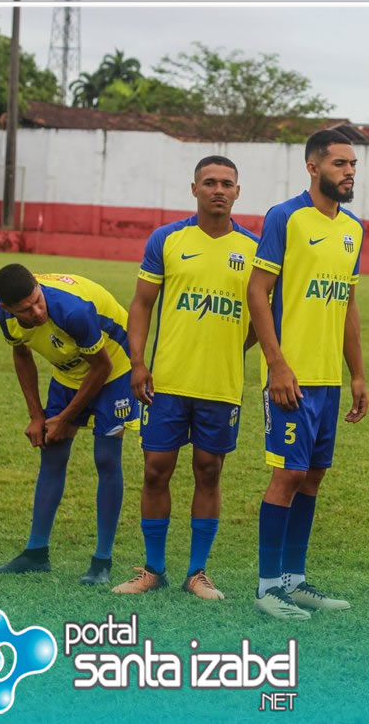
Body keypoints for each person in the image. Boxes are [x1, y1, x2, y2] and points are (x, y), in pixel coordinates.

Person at [111, 155, 258, 600]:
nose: (218, 190)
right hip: (167, 383)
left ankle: (197, 573)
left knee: (209, 471)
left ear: (238, 192)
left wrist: (233, 346)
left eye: (227, 183)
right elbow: (142, 304)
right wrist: (139, 363)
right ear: (194, 189)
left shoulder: (254, 248)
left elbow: (265, 317)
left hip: (221, 385)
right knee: (156, 470)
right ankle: (153, 569)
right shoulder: (167, 239)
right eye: (209, 182)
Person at [247, 129, 368, 620]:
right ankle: (267, 587)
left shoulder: (354, 229)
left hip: (328, 378)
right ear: (313, 167)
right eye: (340, 163)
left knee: (313, 476)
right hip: (290, 374)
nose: (349, 172)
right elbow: (257, 291)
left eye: (353, 164)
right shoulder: (286, 217)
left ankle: (294, 581)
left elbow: (348, 304)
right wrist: (277, 364)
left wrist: (357, 374)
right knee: (289, 473)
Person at [0, 265, 134, 584]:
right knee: (52, 453)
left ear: (38, 287)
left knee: (106, 457)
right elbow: (21, 355)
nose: (37, 312)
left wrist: (67, 418)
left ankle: (102, 561)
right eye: (26, 309)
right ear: (6, 308)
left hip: (116, 365)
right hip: (69, 369)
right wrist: (36, 416)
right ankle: (36, 553)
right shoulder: (5, 317)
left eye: (37, 301)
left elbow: (102, 367)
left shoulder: (72, 310)